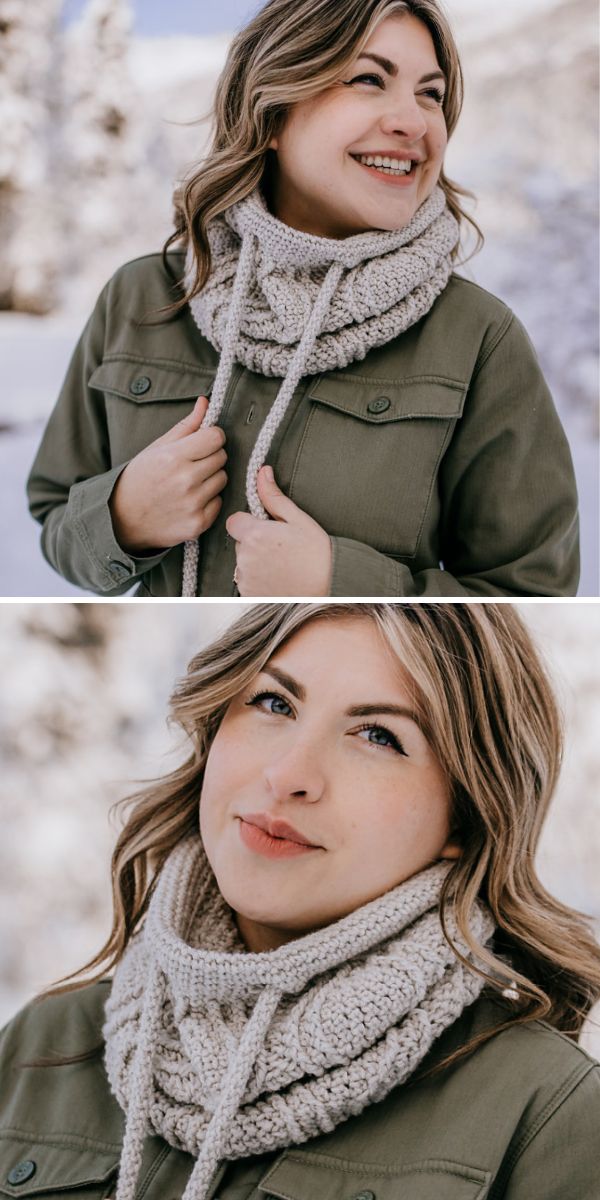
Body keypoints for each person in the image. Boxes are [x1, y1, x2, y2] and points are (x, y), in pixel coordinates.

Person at [1, 602, 599, 1200]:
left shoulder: (546, 1115)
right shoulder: (41, 1049)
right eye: (274, 703)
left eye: (377, 736)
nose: (288, 774)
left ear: (466, 818)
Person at [27, 0, 579, 598]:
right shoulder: (141, 298)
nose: (415, 122)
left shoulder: (477, 338)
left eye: (431, 93)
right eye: (370, 79)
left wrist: (341, 583)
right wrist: (122, 517)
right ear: (272, 111)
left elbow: (533, 598)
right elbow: (55, 514)